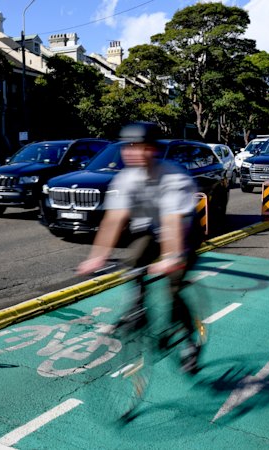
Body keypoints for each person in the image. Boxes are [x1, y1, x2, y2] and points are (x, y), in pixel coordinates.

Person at [77, 122, 204, 373]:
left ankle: (190, 342)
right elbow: (113, 219)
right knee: (134, 261)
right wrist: (97, 256)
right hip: (149, 230)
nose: (133, 152)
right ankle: (137, 308)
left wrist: (170, 258)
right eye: (128, 147)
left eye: (140, 147)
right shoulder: (125, 178)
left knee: (174, 286)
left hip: (183, 232)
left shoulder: (173, 177)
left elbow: (172, 223)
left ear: (154, 150)